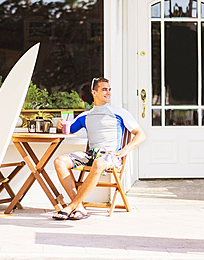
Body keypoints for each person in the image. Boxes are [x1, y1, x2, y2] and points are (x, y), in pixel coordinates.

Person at [52, 77, 146, 220]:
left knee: (99, 163)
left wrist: (125, 149)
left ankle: (71, 206)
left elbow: (141, 134)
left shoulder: (120, 113)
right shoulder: (86, 115)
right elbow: (68, 131)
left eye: (109, 89)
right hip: (91, 155)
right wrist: (60, 127)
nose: (108, 92)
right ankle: (79, 207)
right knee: (60, 161)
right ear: (94, 93)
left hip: (110, 156)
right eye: (104, 89)